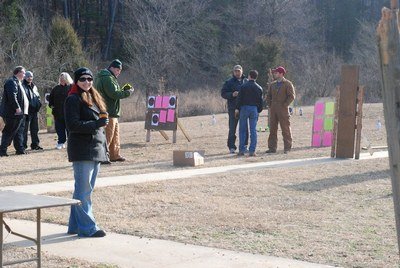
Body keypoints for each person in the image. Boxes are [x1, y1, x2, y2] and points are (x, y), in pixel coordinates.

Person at [65, 67, 109, 237]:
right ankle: (88, 228)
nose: (87, 82)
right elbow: (73, 125)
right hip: (82, 150)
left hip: (95, 149)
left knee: (83, 191)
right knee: (83, 191)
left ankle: (75, 226)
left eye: (89, 79)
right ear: (76, 81)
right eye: (83, 79)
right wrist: (97, 124)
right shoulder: (73, 99)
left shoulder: (93, 97)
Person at [95, 59, 134, 162]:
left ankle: (114, 155)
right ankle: (102, 156)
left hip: (111, 112)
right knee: (108, 136)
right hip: (108, 111)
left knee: (115, 136)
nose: (119, 72)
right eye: (117, 70)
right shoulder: (107, 78)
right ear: (111, 68)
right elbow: (113, 94)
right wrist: (128, 93)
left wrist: (122, 91)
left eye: (120, 70)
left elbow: (114, 92)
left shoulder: (108, 77)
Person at [266, 66, 295, 154]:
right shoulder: (272, 84)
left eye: (276, 73)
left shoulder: (287, 84)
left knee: (285, 129)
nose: (274, 74)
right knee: (272, 129)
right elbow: (268, 96)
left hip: (283, 109)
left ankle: (287, 147)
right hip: (273, 109)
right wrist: (270, 104)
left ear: (281, 74)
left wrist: (285, 104)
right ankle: (272, 148)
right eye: (274, 73)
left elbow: (292, 96)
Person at [0, 66, 29, 156]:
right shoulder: (11, 82)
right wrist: (17, 108)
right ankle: (2, 151)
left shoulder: (18, 82)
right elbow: (12, 96)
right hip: (13, 113)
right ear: (18, 72)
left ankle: (20, 149)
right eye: (24, 73)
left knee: (18, 131)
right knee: (9, 131)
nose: (25, 75)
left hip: (20, 113)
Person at [221, 65, 248, 154]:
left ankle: (244, 146)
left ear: (242, 71)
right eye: (235, 71)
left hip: (244, 108)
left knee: (244, 128)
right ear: (233, 72)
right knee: (232, 128)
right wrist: (232, 94)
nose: (237, 73)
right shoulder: (229, 82)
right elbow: (223, 93)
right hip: (233, 108)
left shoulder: (246, 81)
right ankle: (231, 147)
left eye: (238, 71)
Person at [235, 70, 263, 157]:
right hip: (254, 109)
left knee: (242, 130)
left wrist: (237, 108)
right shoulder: (259, 88)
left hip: (244, 108)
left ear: (249, 76)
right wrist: (258, 110)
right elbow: (261, 102)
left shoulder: (243, 86)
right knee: (253, 130)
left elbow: (239, 99)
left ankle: (241, 150)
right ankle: (252, 150)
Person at [49, 72, 73, 149]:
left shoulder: (72, 87)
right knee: (59, 129)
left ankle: (71, 142)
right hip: (58, 113)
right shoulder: (55, 88)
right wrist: (52, 106)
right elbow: (51, 99)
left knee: (70, 129)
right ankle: (61, 142)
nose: (62, 79)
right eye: (61, 78)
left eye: (63, 78)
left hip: (70, 113)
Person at [22, 71, 43, 150]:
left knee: (35, 129)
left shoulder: (34, 86)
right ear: (25, 77)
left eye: (31, 76)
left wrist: (39, 104)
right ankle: (23, 146)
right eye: (28, 76)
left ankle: (35, 145)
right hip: (27, 111)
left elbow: (37, 96)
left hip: (35, 111)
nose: (29, 78)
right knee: (25, 129)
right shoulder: (22, 86)